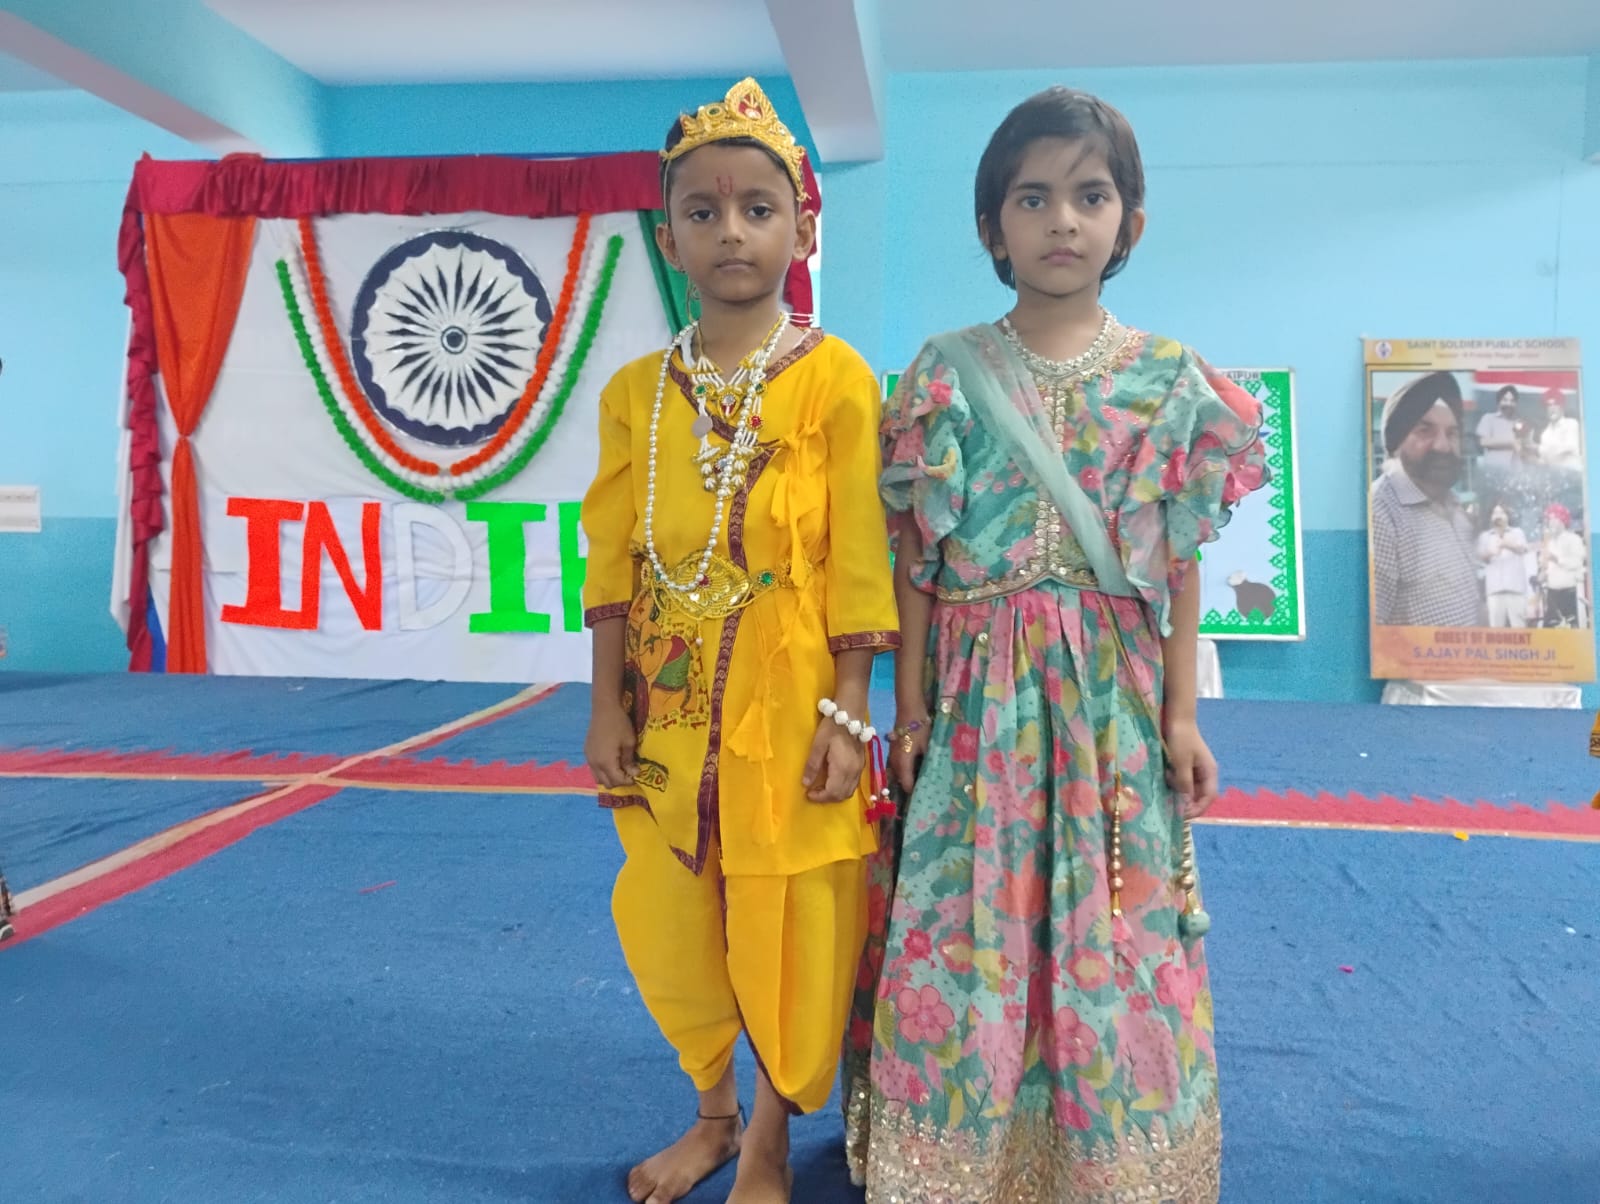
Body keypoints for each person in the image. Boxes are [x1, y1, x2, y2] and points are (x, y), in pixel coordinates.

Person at [841, 87, 1269, 1203]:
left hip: (1110, 703)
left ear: (1130, 221)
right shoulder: (942, 372)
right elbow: (918, 561)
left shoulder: (1170, 380)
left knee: (1110, 923)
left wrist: (1181, 715)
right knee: (968, 918)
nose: (1062, 220)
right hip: (975, 703)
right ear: (992, 227)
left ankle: (1108, 1159)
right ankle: (957, 1157)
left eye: (1090, 195)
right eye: (1032, 198)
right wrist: (909, 711)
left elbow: (1178, 565)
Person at [581, 78, 899, 1204]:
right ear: (667, 238)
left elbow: (860, 558)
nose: (731, 231)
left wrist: (847, 716)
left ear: (801, 232)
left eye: (758, 209)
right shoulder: (637, 395)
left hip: (794, 704)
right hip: (664, 710)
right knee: (673, 916)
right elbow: (611, 562)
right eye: (703, 211)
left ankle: (766, 1138)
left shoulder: (835, 379)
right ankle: (710, 1115)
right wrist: (605, 704)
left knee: (786, 920)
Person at [1369, 371, 1486, 627]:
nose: (1443, 446)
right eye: (1425, 430)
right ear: (1396, 441)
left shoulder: (1457, 509)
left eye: (1452, 433)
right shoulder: (1381, 511)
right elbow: (1373, 631)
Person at [1477, 503, 1530, 628]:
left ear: (1507, 516)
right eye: (1495, 513)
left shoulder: (1517, 532)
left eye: (1501, 513)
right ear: (1491, 517)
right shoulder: (1485, 536)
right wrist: (1490, 553)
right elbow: (1479, 556)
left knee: (1519, 629)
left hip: (1515, 589)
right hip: (1494, 590)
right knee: (1496, 631)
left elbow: (1523, 549)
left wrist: (1507, 544)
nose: (1498, 516)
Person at [1538, 503, 1587, 627]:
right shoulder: (1549, 542)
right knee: (1550, 632)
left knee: (1572, 630)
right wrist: (1543, 573)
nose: (1550, 523)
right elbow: (1546, 567)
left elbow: (1577, 563)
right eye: (1549, 519)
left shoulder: (1574, 539)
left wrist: (1557, 559)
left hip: (1570, 594)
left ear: (1562, 520)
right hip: (1552, 595)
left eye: (1553, 519)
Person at [1475, 386, 1521, 471]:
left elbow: (1522, 446)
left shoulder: (1519, 422)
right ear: (1498, 401)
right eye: (1505, 400)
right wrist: (1511, 443)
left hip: (1515, 473)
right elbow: (1483, 441)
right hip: (1494, 472)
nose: (1508, 404)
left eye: (1512, 401)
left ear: (1516, 403)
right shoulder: (1488, 418)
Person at [1538, 389, 1583, 471]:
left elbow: (1569, 447)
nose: (1552, 408)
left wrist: (1538, 448)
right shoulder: (1545, 434)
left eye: (1556, 404)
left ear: (1562, 407)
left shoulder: (1571, 424)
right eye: (1549, 405)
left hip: (1573, 473)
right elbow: (1544, 461)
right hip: (1555, 475)